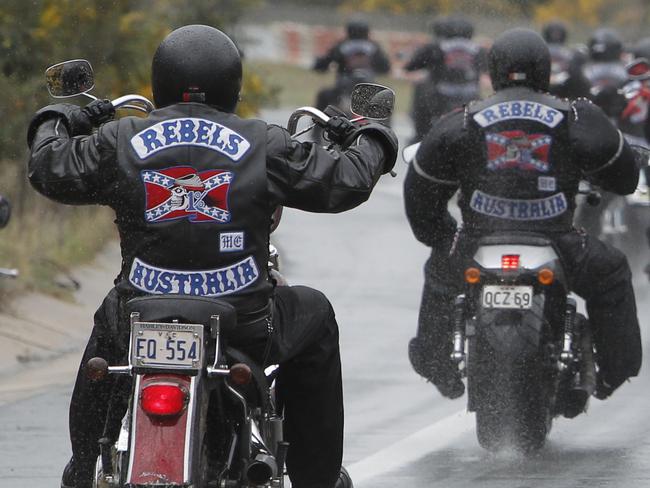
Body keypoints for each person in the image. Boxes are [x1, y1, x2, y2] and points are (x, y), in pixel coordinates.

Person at [26, 25, 398, 488]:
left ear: (158, 82)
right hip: (242, 323)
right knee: (315, 313)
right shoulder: (263, 141)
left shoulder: (120, 138)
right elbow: (345, 182)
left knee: (108, 323)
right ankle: (315, 478)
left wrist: (59, 116)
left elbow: (49, 168)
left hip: (138, 316)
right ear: (233, 84)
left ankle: (83, 469)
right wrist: (372, 136)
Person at [405, 28, 642, 401]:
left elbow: (420, 191)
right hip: (561, 241)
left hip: (474, 241)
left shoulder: (462, 119)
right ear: (545, 70)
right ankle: (610, 372)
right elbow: (626, 178)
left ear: (494, 70)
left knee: (439, 272)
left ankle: (440, 369)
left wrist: (442, 235)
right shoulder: (577, 115)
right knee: (611, 272)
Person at [404, 14, 486, 142]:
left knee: (420, 88)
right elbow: (489, 68)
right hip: (471, 100)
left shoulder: (435, 47)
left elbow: (411, 66)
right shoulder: (479, 50)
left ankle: (419, 138)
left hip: (438, 99)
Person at [313, 17, 391, 112]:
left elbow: (322, 65)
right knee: (386, 99)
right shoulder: (374, 46)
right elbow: (385, 68)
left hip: (342, 90)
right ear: (367, 31)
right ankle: (384, 126)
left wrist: (319, 63)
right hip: (369, 89)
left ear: (348, 31)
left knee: (323, 96)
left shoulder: (341, 45)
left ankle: (317, 125)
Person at [541, 20, 591, 99]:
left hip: (563, 88)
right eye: (554, 33)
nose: (555, 35)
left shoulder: (570, 52)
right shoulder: (540, 51)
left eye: (558, 33)